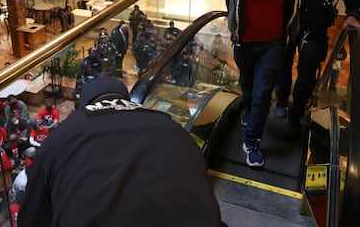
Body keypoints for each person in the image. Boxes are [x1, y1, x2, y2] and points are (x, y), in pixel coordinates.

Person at [18, 77, 224, 226]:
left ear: (85, 103)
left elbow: (31, 217)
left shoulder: (61, 135)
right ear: (126, 98)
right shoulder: (170, 126)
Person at [276, 0, 360, 139]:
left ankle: (295, 116)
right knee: (281, 68)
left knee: (306, 78)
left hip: (316, 30)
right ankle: (280, 101)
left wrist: (353, 15)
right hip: (286, 27)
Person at [223, 0, 298, 168]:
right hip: (244, 40)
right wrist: (235, 26)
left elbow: (294, 1)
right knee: (246, 81)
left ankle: (252, 141)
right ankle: (247, 108)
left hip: (274, 42)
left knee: (263, 92)